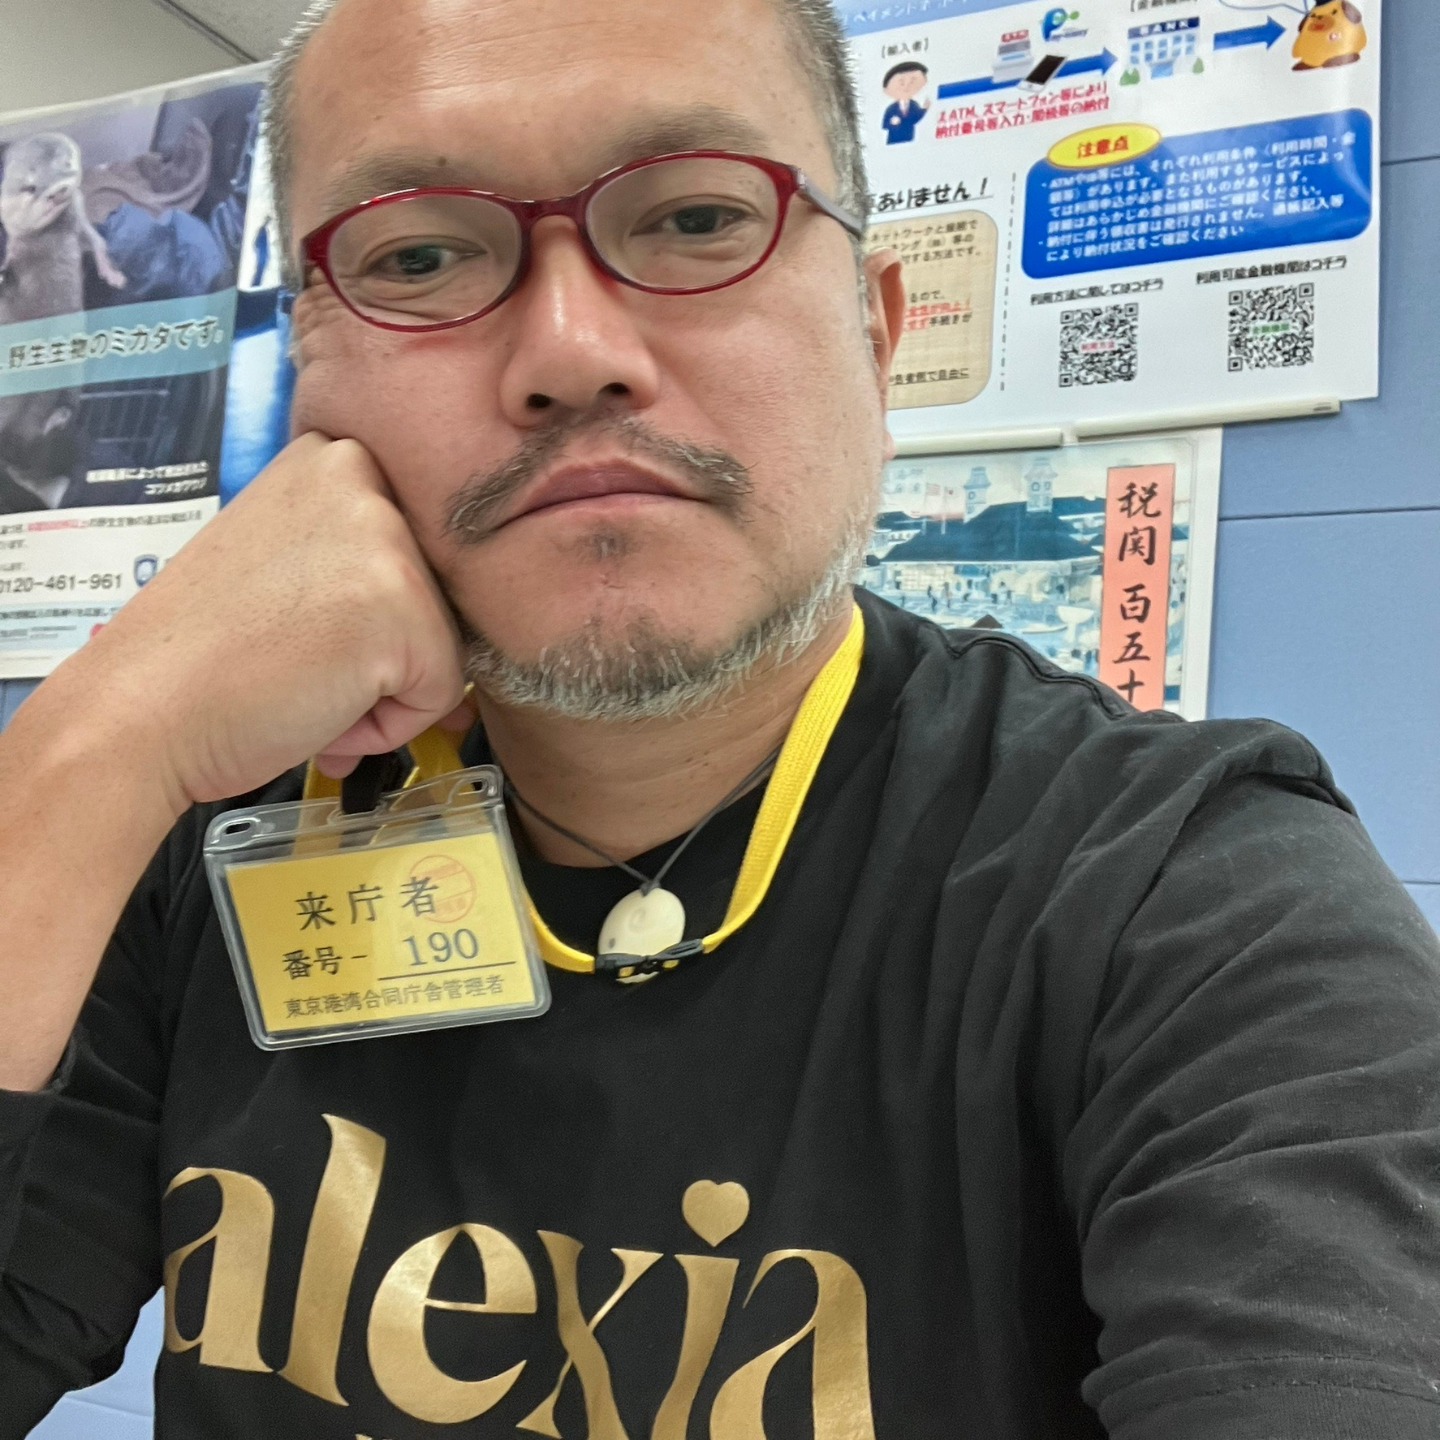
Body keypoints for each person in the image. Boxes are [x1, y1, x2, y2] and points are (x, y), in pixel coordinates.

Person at [0, 0, 1438, 1436]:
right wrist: (87, 753)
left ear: (878, 339)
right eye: (420, 256)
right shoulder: (198, 825)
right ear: (305, 375)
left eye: (695, 220)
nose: (572, 350)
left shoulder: (1194, 912)